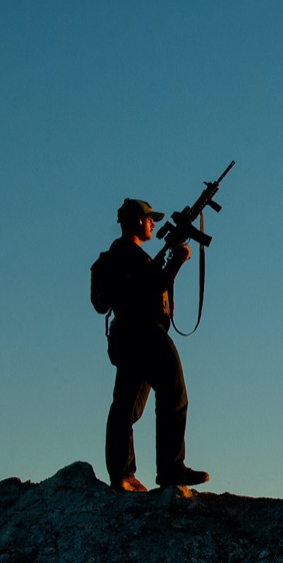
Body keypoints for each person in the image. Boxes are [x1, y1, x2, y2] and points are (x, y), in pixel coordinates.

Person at [96, 198, 209, 494]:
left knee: (127, 406)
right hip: (144, 331)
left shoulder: (128, 255)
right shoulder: (127, 254)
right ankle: (170, 467)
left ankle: (123, 473)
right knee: (174, 393)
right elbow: (150, 288)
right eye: (148, 219)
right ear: (134, 220)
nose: (153, 224)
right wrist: (177, 262)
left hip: (130, 335)